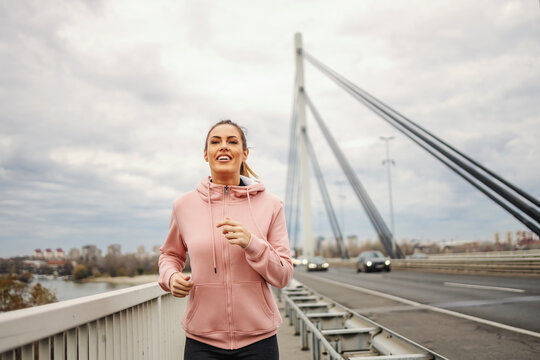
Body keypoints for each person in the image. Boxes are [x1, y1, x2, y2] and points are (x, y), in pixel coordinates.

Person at [158, 119, 293, 359]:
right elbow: (170, 255)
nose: (223, 146)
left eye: (232, 141)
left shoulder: (271, 205)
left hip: (259, 340)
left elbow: (283, 275)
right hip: (202, 341)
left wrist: (252, 244)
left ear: (245, 153)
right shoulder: (183, 206)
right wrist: (171, 277)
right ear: (205, 154)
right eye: (215, 142)